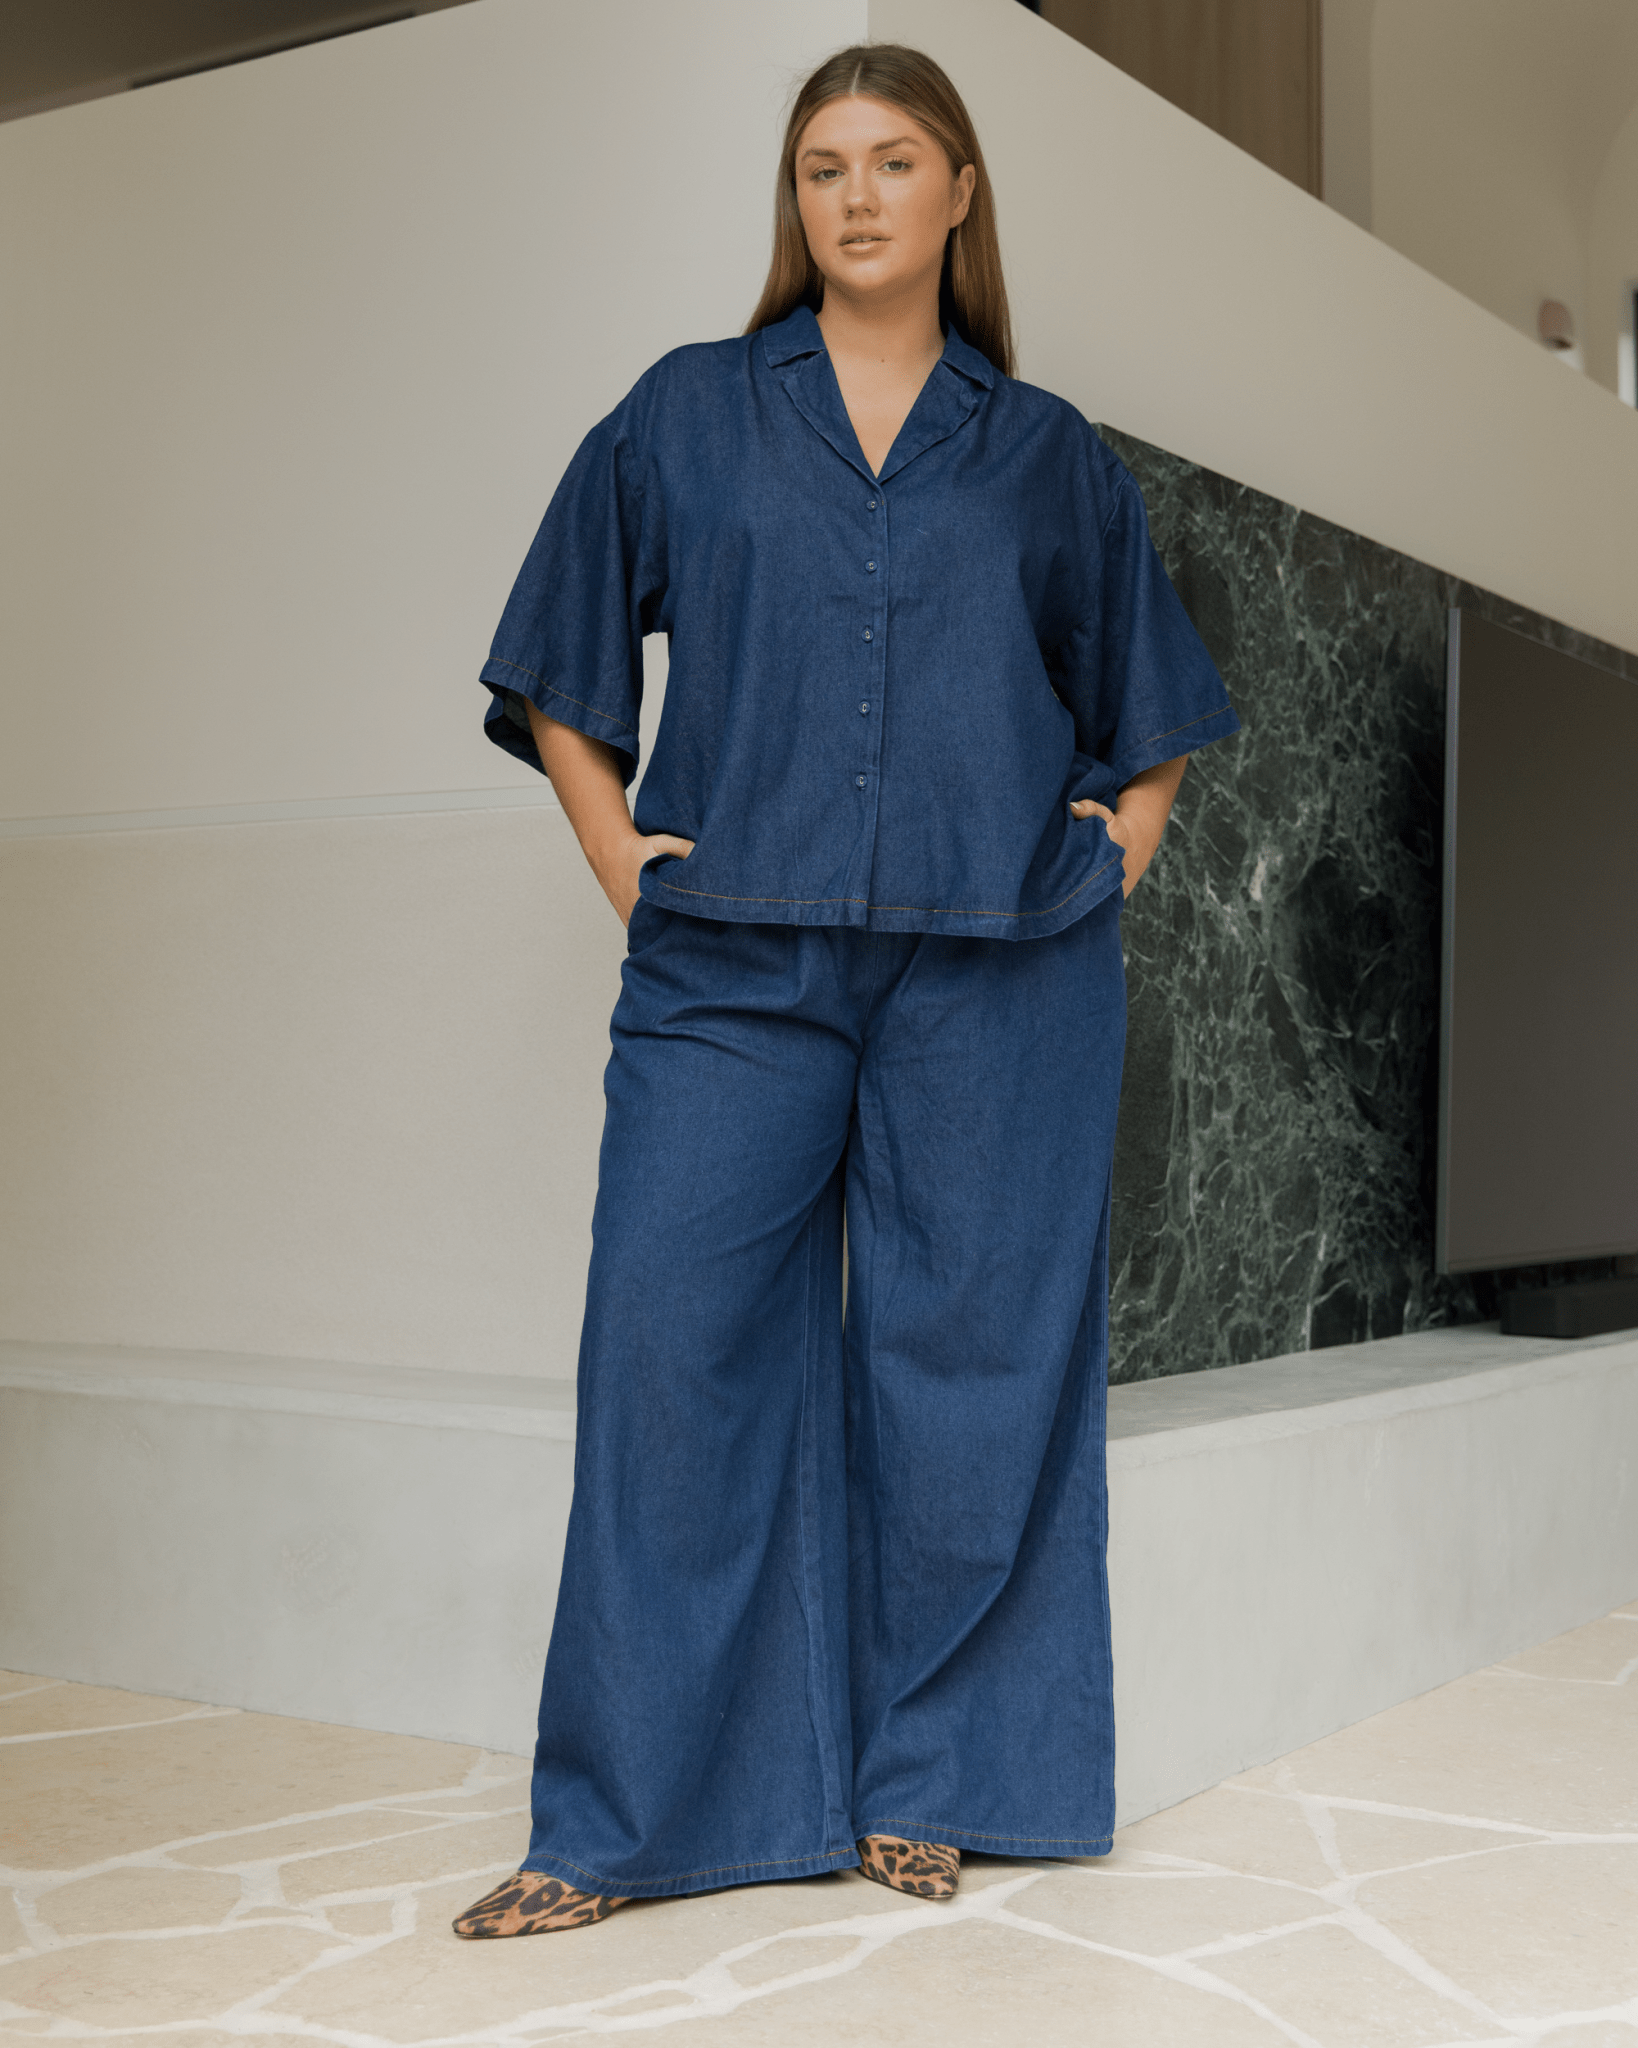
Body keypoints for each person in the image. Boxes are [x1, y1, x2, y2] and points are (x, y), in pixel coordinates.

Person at [453, 41, 1238, 1940]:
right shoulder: (690, 411)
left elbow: (1149, 710)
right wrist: (616, 851)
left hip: (1000, 973)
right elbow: (559, 660)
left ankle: (933, 1780)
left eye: (894, 161)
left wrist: (1116, 853)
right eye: (823, 165)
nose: (857, 195)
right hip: (732, 959)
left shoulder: (1042, 452)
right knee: (669, 1352)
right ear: (792, 201)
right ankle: (626, 1823)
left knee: (974, 1373)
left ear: (959, 194)